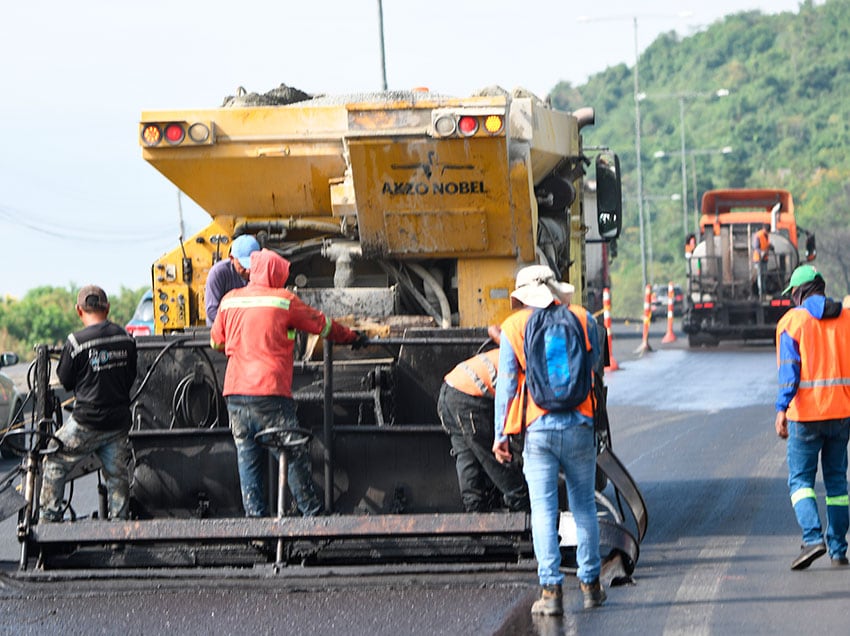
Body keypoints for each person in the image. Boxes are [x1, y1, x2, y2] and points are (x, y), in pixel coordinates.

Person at [210, 248, 367, 517]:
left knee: (247, 457)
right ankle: (311, 514)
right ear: (275, 274)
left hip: (235, 393)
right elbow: (322, 325)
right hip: (269, 392)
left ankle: (256, 523)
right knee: (292, 452)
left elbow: (216, 342)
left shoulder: (229, 301)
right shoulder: (283, 301)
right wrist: (352, 337)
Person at [492, 264, 604, 615]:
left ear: (523, 295)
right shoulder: (584, 318)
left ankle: (551, 591)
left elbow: (507, 384)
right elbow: (594, 366)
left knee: (543, 509)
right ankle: (591, 585)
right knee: (584, 506)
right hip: (580, 424)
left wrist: (501, 434)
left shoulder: (514, 326)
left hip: (538, 428)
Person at [39, 285, 138, 523]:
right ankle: (119, 526)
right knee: (117, 475)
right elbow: (131, 377)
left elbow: (65, 380)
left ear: (79, 310)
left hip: (86, 423)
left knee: (54, 458)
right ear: (107, 308)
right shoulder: (126, 339)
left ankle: (49, 520)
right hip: (118, 423)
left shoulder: (76, 342)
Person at [775, 264, 850, 570]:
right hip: (841, 414)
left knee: (801, 481)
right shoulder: (846, 319)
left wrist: (781, 408)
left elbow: (789, 372)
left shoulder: (792, 322)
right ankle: (838, 549)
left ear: (800, 292)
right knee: (837, 483)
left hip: (805, 417)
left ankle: (812, 538)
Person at [437, 325, 529, 513]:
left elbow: (493, 330)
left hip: (448, 391)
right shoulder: (524, 366)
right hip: (468, 398)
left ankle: (475, 510)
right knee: (493, 455)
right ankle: (519, 501)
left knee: (466, 455)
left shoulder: (510, 349)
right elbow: (517, 412)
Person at [205, 234, 261, 325]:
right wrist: (236, 326)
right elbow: (212, 310)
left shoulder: (262, 271)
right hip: (223, 327)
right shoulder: (218, 273)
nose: (248, 270)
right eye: (243, 265)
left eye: (252, 264)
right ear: (231, 258)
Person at [752, 223, 771, 297]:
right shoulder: (758, 235)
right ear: (764, 229)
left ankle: (764, 291)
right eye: (767, 231)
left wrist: (770, 247)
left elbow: (766, 244)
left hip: (765, 259)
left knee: (764, 276)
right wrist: (762, 252)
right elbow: (756, 247)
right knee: (760, 276)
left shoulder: (767, 235)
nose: (768, 232)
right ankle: (761, 293)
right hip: (758, 259)